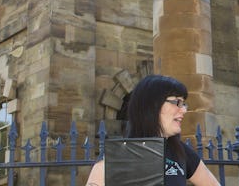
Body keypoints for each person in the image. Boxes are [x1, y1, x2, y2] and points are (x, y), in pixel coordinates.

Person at [86, 75, 220, 186]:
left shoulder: (181, 152)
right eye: (177, 102)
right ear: (152, 107)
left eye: (184, 103)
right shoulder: (119, 153)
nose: (184, 110)